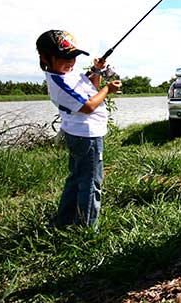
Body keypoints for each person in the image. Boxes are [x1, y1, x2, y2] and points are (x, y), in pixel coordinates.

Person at [36, 30, 122, 230]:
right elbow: (88, 106)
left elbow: (91, 88)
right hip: (85, 137)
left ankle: (63, 220)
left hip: (85, 134)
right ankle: (87, 230)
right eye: (64, 57)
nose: (70, 62)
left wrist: (97, 70)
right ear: (45, 58)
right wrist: (108, 89)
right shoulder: (58, 83)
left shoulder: (68, 74)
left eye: (73, 57)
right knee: (91, 182)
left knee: (76, 179)